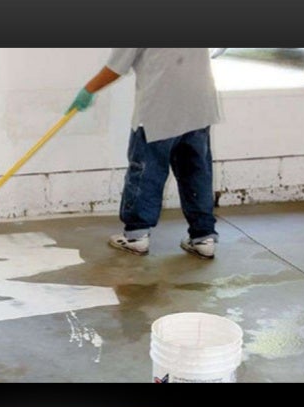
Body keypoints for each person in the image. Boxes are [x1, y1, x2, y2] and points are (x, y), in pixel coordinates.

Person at [66, 48, 222, 259]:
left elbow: (116, 67)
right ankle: (203, 237)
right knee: (196, 173)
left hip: (160, 109)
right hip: (200, 105)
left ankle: (136, 236)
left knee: (145, 174)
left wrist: (88, 90)